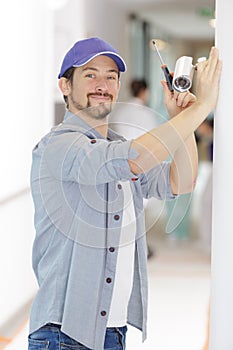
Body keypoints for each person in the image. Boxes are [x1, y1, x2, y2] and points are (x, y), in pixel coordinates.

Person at [28, 37, 222, 350]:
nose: (102, 84)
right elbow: (134, 158)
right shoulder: (59, 147)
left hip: (112, 333)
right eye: (90, 75)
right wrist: (203, 107)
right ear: (65, 86)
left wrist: (179, 118)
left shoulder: (112, 146)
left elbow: (180, 182)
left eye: (111, 77)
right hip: (65, 335)